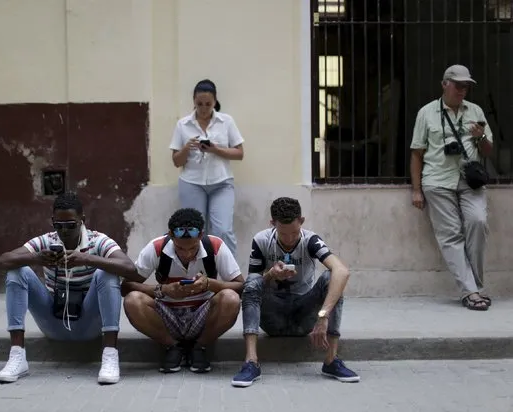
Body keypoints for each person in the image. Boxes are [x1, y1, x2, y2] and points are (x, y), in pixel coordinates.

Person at [0, 192, 137, 385]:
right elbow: (1, 262)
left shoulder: (98, 240)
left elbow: (130, 268)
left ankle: (110, 355)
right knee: (16, 271)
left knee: (107, 272)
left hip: (89, 324)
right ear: (52, 221)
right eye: (58, 225)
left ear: (82, 220)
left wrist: (88, 259)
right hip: (53, 322)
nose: (64, 231)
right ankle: (17, 356)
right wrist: (35, 258)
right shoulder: (46, 241)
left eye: (71, 225)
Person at [231, 197, 360, 387]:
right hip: (272, 317)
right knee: (252, 281)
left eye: (294, 232)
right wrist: (271, 275)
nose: (290, 239)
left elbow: (342, 271)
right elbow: (252, 285)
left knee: (331, 278)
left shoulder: (311, 240)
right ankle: (251, 362)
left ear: (302, 221)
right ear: (272, 224)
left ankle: (331, 360)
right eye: (283, 233)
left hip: (304, 315)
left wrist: (323, 316)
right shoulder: (261, 240)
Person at [410, 65, 494, 311]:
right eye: (458, 85)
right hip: (437, 180)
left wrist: (480, 137)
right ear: (445, 84)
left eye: (466, 86)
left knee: (478, 222)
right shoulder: (426, 113)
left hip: (471, 180)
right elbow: (416, 154)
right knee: (451, 235)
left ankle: (473, 288)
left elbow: (488, 150)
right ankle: (472, 293)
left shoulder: (475, 110)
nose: (462, 90)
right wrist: (416, 189)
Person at [122, 208, 243, 373]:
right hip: (167, 316)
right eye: (180, 248)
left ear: (201, 235)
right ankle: (172, 346)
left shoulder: (215, 246)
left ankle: (199, 347)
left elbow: (241, 286)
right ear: (171, 235)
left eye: (193, 248)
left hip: (203, 316)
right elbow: (126, 286)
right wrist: (163, 290)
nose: (187, 254)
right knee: (133, 300)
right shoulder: (157, 247)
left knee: (231, 298)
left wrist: (210, 284)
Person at [169, 79, 244, 257]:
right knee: (194, 231)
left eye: (208, 104)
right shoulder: (183, 124)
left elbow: (239, 153)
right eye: (199, 104)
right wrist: (187, 148)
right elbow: (176, 161)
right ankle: (200, 273)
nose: (203, 108)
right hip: (191, 183)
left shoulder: (226, 121)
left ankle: (230, 276)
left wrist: (215, 149)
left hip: (222, 182)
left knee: (223, 230)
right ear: (193, 101)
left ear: (215, 101)